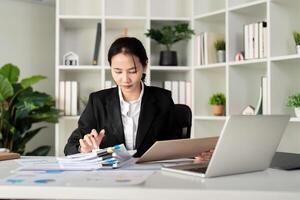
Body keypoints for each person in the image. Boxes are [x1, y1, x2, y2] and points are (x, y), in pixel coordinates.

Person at [64, 37, 182, 157]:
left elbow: (178, 144)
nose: (125, 79)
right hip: (111, 173)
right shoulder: (97, 101)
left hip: (151, 171)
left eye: (132, 71)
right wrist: (83, 148)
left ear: (145, 66)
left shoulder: (163, 99)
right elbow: (70, 148)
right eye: (118, 71)